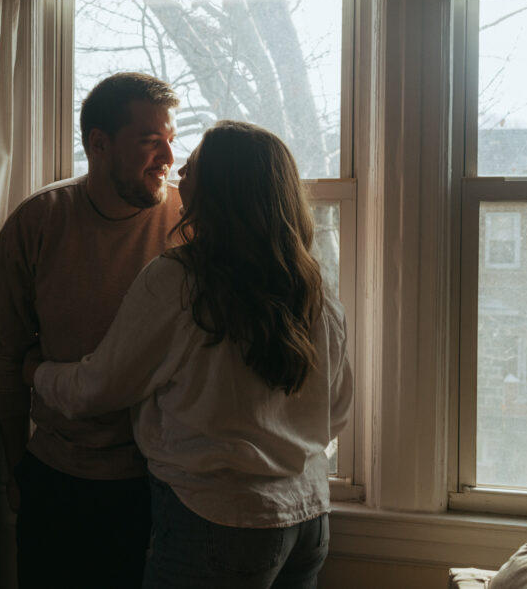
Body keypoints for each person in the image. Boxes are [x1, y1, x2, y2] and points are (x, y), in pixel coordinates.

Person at [26, 120, 354, 589]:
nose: (179, 170)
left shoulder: (179, 280)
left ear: (221, 190)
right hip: (306, 519)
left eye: (194, 166)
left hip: (217, 520)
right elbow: (337, 413)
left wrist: (36, 372)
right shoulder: (314, 292)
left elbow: (98, 388)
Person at [0, 72, 183, 588]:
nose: (168, 157)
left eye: (171, 139)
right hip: (57, 477)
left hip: (163, 479)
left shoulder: (190, 218)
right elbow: (6, 354)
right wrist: (15, 468)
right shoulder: (38, 222)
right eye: (149, 141)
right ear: (99, 143)